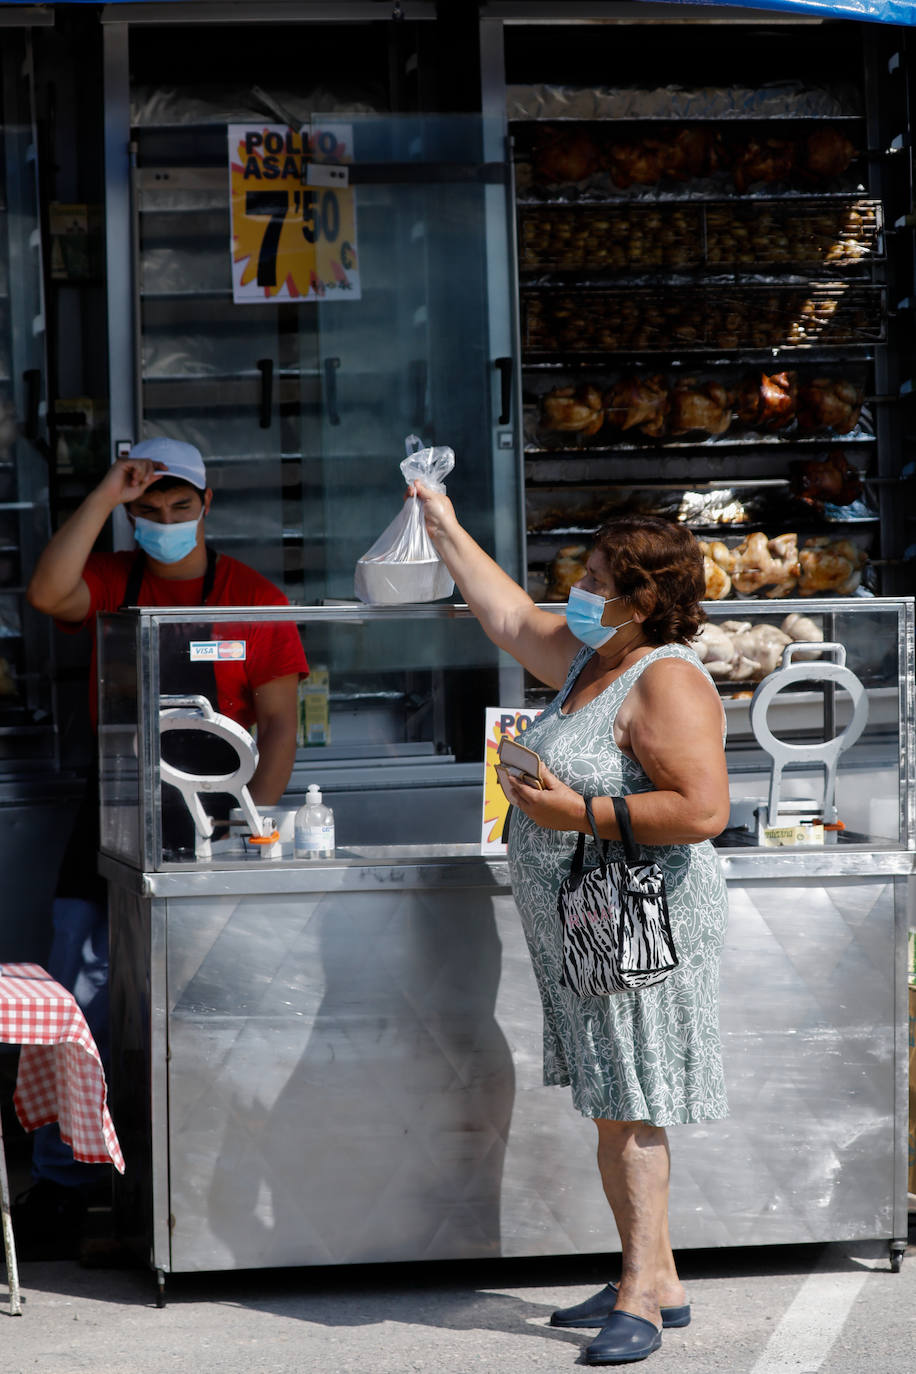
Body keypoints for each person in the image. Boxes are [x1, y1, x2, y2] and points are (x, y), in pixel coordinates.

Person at [413, 484, 730, 1368]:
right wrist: (440, 517)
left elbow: (703, 811)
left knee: (632, 1105)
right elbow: (507, 614)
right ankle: (656, 1275)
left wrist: (576, 812)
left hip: (642, 923)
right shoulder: (592, 658)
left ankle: (640, 1296)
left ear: (640, 601)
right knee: (610, 1102)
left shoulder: (663, 678)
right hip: (589, 923)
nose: (574, 589)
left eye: (593, 578)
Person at [18, 436, 308, 1256]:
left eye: (182, 509)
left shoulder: (253, 597)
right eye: (151, 511)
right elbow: (47, 592)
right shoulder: (112, 579)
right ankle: (67, 1183)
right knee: (80, 999)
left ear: (208, 507)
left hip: (218, 819)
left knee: (203, 1006)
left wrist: (256, 827)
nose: (168, 523)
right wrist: (108, 494)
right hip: (111, 812)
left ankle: (191, 1182)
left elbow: (280, 723)